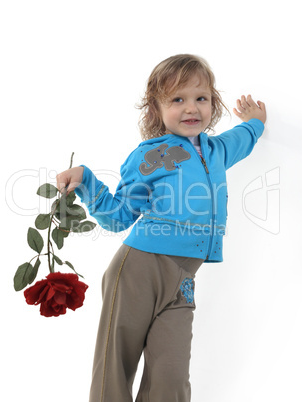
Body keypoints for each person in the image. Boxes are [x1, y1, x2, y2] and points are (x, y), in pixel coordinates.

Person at [56, 54, 266, 402]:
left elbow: (243, 138)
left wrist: (256, 123)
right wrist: (85, 181)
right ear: (156, 108)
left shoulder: (216, 151)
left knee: (171, 376)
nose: (191, 108)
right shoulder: (149, 155)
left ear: (214, 103)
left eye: (201, 98)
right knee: (115, 365)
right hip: (139, 268)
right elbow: (118, 216)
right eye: (177, 99)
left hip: (184, 278)